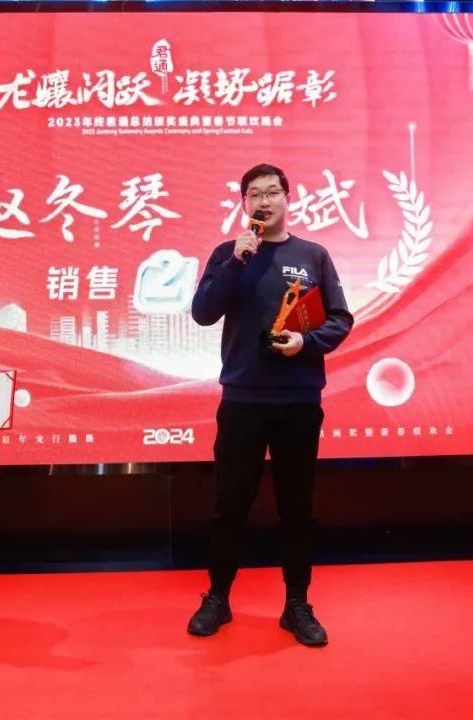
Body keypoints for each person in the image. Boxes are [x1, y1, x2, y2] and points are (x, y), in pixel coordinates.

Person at [188, 163, 353, 646]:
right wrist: (236, 263)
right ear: (244, 204)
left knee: (297, 508)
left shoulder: (313, 255)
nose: (264, 201)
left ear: (287, 198)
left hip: (298, 401)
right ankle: (217, 598)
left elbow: (340, 319)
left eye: (272, 192)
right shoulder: (229, 253)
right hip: (242, 399)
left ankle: (297, 604)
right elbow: (202, 313)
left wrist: (306, 343)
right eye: (255, 194)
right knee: (229, 505)